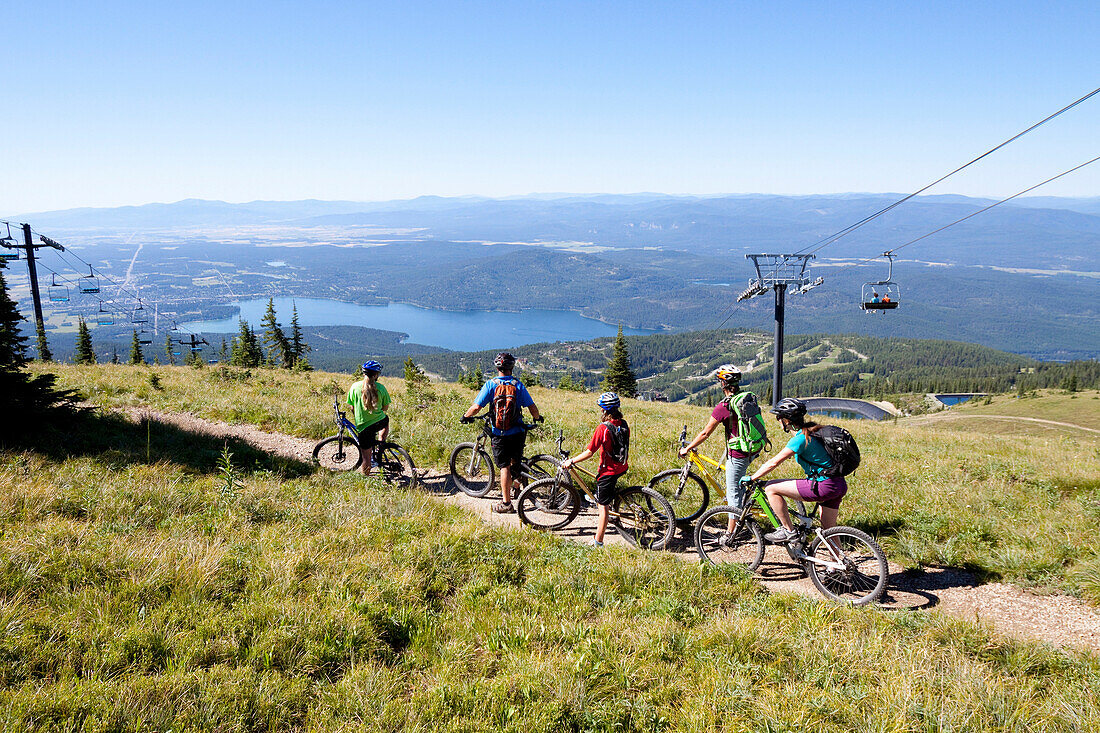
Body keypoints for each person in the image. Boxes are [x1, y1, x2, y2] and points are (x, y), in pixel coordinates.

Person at [742, 397, 847, 543]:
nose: (778, 420)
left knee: (771, 488)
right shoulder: (815, 431)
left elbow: (774, 462)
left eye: (779, 417)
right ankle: (836, 564)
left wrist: (752, 477)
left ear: (786, 420)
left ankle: (788, 531)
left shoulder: (801, 438)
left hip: (824, 485)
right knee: (828, 530)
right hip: (839, 484)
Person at [678, 364, 762, 534]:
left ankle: (731, 533)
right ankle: (743, 509)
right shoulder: (746, 397)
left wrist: (688, 448)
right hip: (753, 447)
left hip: (738, 453)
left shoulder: (725, 406)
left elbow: (705, 433)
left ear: (724, 384)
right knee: (739, 485)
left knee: (733, 494)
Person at [462, 352, 541, 513]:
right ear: (512, 367)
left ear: (498, 367)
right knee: (515, 461)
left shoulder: (491, 385)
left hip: (499, 433)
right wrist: (538, 418)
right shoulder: (518, 385)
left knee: (504, 466)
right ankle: (517, 487)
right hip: (517, 431)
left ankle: (507, 504)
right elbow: (532, 407)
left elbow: (477, 407)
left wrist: (465, 416)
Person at [560, 392, 629, 547]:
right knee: (603, 491)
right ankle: (604, 502)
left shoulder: (603, 428)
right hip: (622, 466)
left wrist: (571, 461)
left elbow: (590, 452)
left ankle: (598, 541)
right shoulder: (623, 424)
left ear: (604, 410)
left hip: (608, 470)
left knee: (602, 506)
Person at [346, 360, 390, 476]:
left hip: (363, 427)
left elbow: (351, 407)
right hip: (379, 421)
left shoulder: (355, 387)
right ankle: (381, 443)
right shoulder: (381, 388)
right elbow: (385, 408)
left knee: (366, 458)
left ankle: (366, 479)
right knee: (386, 420)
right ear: (376, 375)